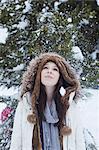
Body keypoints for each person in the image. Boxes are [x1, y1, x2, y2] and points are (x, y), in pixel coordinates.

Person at [10, 52, 86, 150]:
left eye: (55, 69)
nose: (49, 71)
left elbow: (79, 141)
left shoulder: (69, 105)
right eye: (45, 68)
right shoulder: (26, 103)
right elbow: (17, 141)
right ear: (38, 73)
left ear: (60, 76)